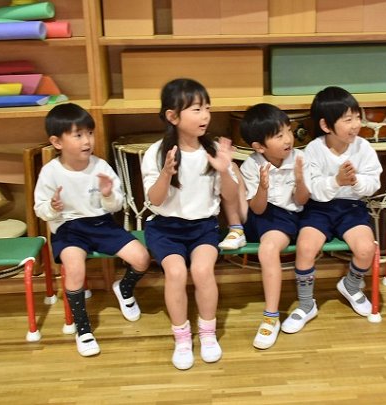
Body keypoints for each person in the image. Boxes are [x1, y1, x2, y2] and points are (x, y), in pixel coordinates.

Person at [34, 103, 151, 357]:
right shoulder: (50, 172)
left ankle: (124, 288)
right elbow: (40, 209)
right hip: (69, 228)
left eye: (89, 133)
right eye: (78, 135)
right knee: (75, 269)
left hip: (102, 223)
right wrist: (52, 207)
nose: (87, 141)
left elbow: (116, 204)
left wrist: (108, 195)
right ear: (57, 142)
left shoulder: (101, 167)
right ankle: (83, 328)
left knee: (142, 257)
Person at [141, 78, 239, 370]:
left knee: (202, 270)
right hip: (165, 228)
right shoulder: (157, 153)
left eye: (207, 108)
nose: (205, 115)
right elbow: (155, 200)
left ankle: (207, 333)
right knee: (175, 273)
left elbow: (231, 197)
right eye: (196, 109)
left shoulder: (213, 150)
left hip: (203, 227)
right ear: (173, 116)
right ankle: (182, 338)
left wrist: (224, 171)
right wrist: (166, 174)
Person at [281, 87, 382, 334]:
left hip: (352, 207)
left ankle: (351, 285)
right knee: (305, 248)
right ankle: (306, 304)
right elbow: (313, 189)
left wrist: (355, 181)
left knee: (366, 248)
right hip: (319, 208)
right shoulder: (313, 150)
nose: (356, 124)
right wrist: (337, 181)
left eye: (357, 117)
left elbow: (374, 182)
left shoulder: (363, 147)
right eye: (348, 119)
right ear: (326, 125)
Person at [239, 103, 310, 349]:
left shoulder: (301, 158)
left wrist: (300, 181)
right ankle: (272, 316)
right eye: (279, 136)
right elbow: (257, 209)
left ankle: (271, 317)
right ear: (259, 146)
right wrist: (262, 187)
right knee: (263, 242)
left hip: (288, 216)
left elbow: (301, 201)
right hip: (260, 214)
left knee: (267, 249)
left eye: (288, 130)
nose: (288, 139)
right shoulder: (251, 165)